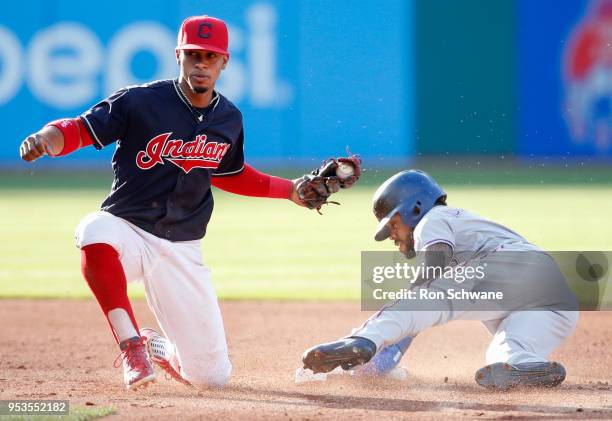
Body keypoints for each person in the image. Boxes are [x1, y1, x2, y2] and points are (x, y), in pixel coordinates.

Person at [19, 15, 356, 391]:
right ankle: (132, 347)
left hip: (183, 249)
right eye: (194, 54)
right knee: (93, 231)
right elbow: (82, 127)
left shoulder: (229, 118)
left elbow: (231, 173)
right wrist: (47, 138)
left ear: (224, 62)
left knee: (211, 378)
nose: (201, 63)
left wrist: (290, 190)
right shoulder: (139, 101)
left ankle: (155, 345)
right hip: (128, 230)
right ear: (178, 55)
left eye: (211, 57)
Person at [302, 170, 579, 390]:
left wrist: (385, 342)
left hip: (513, 266)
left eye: (392, 226)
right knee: (506, 353)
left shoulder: (432, 219)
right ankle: (525, 366)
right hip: (556, 301)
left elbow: (433, 271)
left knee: (424, 298)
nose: (393, 237)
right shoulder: (460, 224)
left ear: (414, 207)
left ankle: (363, 338)